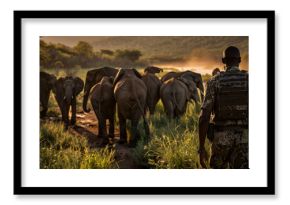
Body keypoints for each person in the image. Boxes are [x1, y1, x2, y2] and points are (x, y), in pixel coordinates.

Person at [198, 46, 248, 169]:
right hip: (246, 139)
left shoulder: (215, 81)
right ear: (240, 60)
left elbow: (204, 117)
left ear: (223, 61)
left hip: (221, 140)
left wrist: (201, 147)